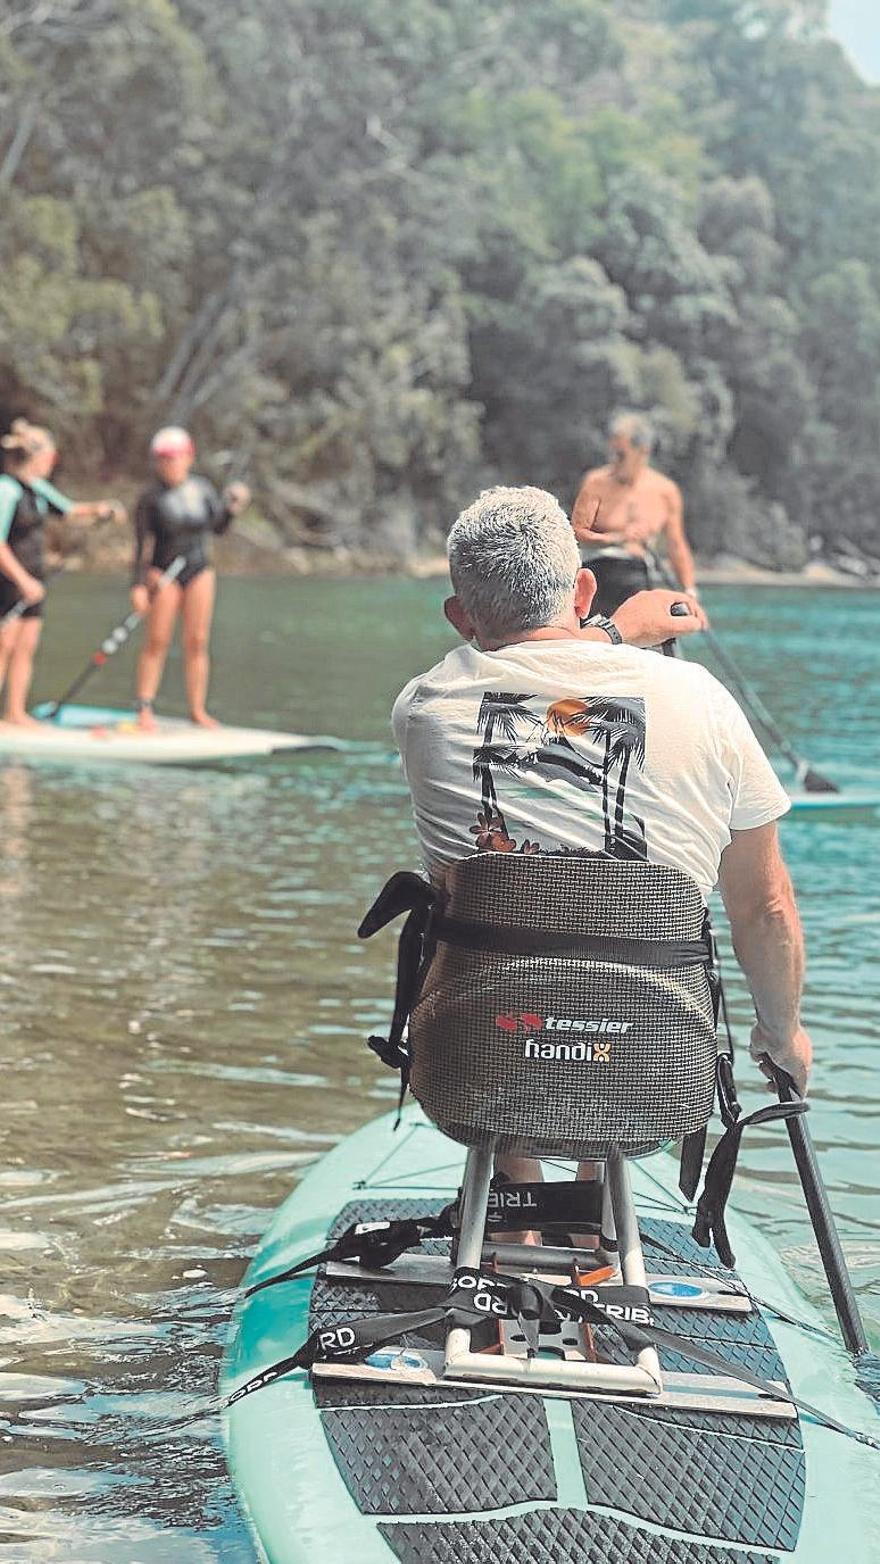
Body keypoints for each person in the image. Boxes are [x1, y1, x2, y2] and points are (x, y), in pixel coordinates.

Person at [392, 487, 811, 1207]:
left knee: (486, 918)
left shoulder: (424, 708)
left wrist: (611, 637)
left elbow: (528, 664)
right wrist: (784, 1032)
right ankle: (594, 1196)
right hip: (656, 1070)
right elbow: (765, 904)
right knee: (615, 930)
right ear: (582, 587)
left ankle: (516, 1197)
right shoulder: (703, 700)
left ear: (459, 617)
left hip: (471, 1065)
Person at [0, 419, 125, 726]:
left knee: (26, 646)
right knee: (3, 645)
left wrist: (101, 510)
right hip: (10, 581)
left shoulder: (38, 490)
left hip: (33, 582)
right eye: (50, 458)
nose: (52, 463)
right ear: (36, 457)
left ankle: (15, 714)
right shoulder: (6, 489)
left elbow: (69, 511)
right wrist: (23, 581)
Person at [131, 426, 250, 730]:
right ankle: (144, 707)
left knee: (197, 641)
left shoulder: (202, 489)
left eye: (174, 457)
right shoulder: (150, 497)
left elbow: (217, 526)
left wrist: (233, 507)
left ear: (188, 458)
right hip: (164, 572)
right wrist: (139, 584)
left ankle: (197, 710)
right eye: (162, 458)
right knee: (157, 640)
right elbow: (141, 544)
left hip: (198, 569)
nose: (168, 464)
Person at [571, 412, 698, 614]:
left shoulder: (665, 491)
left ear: (643, 452)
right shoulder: (595, 482)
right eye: (612, 453)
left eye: (621, 455)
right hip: (596, 573)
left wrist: (689, 591)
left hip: (636, 576)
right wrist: (617, 538)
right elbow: (576, 534)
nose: (614, 461)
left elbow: (676, 544)